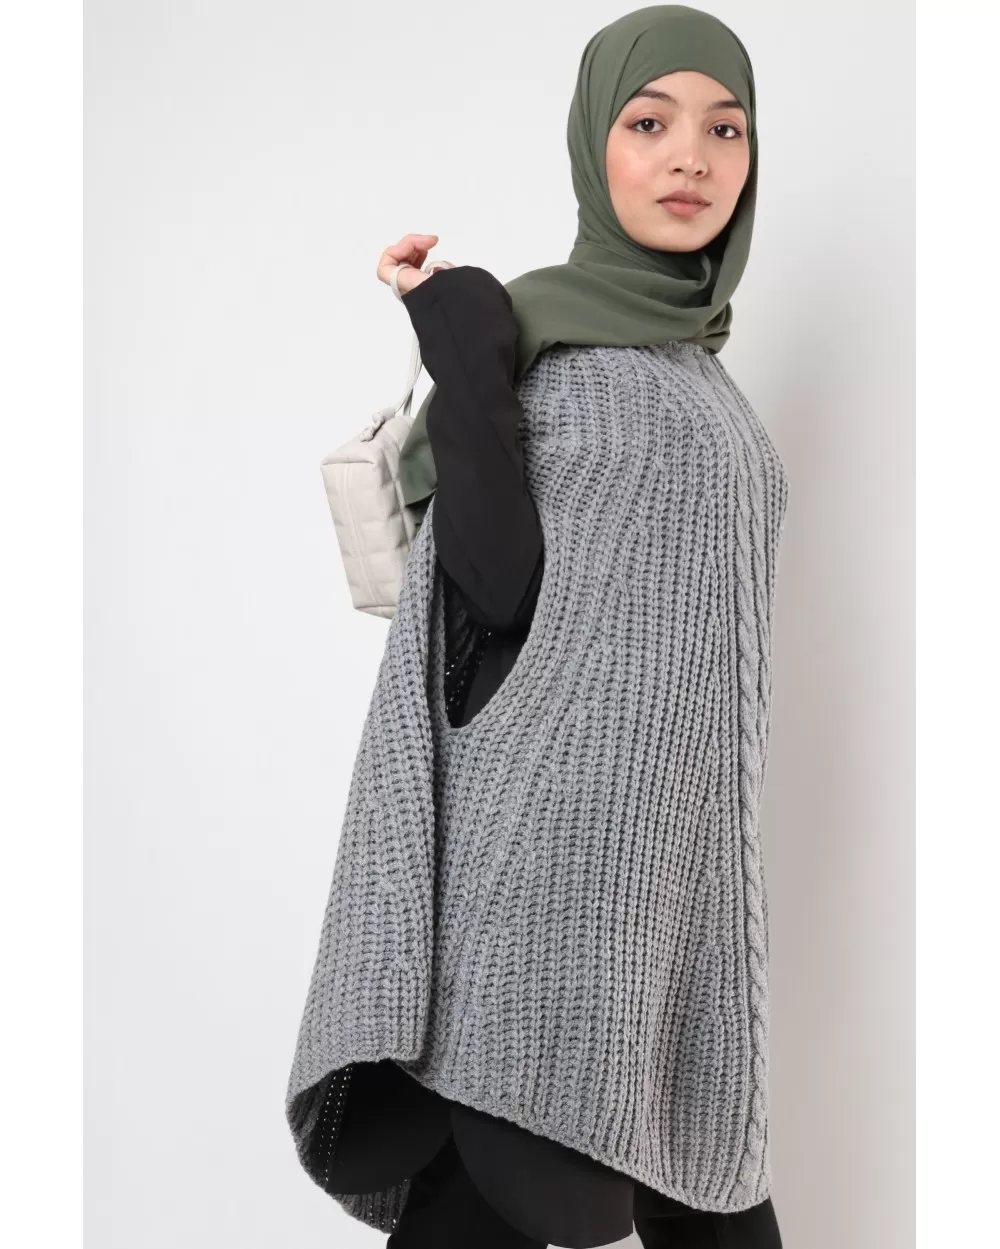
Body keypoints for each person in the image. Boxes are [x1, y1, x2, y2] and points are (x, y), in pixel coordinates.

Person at [285, 7, 789, 1248]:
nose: (691, 156)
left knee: (703, 1182)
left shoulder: (698, 370)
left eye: (725, 129)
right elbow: (495, 589)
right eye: (648, 122)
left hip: (670, 893)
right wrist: (460, 338)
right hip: (544, 893)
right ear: (592, 143)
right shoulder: (548, 345)